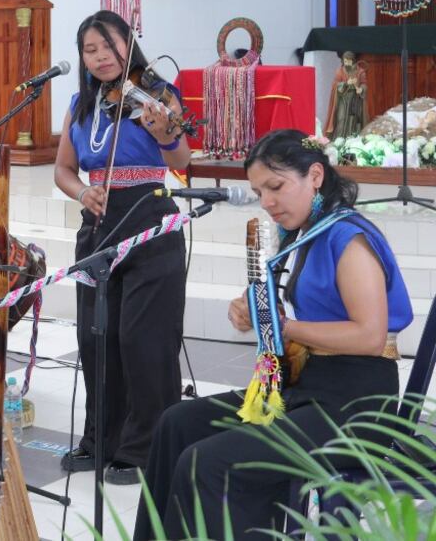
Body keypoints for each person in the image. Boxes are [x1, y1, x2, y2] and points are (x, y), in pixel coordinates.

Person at [133, 129, 413, 540]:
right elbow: (289, 306)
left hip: (355, 404)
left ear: (315, 176)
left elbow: (369, 337)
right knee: (176, 423)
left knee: (208, 462)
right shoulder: (301, 234)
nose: (266, 201)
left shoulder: (348, 238)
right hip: (306, 388)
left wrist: (284, 327)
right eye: (259, 190)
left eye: (275, 187)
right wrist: (251, 308)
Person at [54, 10, 192, 485]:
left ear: (127, 46)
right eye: (89, 50)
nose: (99, 58)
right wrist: (81, 192)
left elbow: (182, 160)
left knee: (142, 341)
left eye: (107, 47)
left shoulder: (157, 94)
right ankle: (102, 439)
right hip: (98, 224)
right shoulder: (79, 103)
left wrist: (164, 133)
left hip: (150, 217)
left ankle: (146, 447)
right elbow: (64, 171)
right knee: (96, 337)